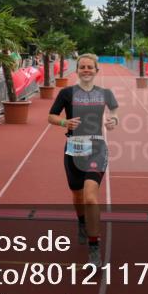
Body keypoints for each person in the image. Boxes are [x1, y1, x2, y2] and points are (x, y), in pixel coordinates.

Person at [47, 53, 119, 267]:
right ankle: (81, 222)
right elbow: (51, 116)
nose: (86, 70)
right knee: (77, 195)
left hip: (97, 148)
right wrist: (64, 123)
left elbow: (114, 109)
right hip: (74, 148)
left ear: (96, 71)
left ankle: (94, 248)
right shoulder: (66, 93)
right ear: (77, 70)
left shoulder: (104, 93)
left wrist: (113, 120)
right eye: (82, 67)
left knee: (90, 198)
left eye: (90, 67)